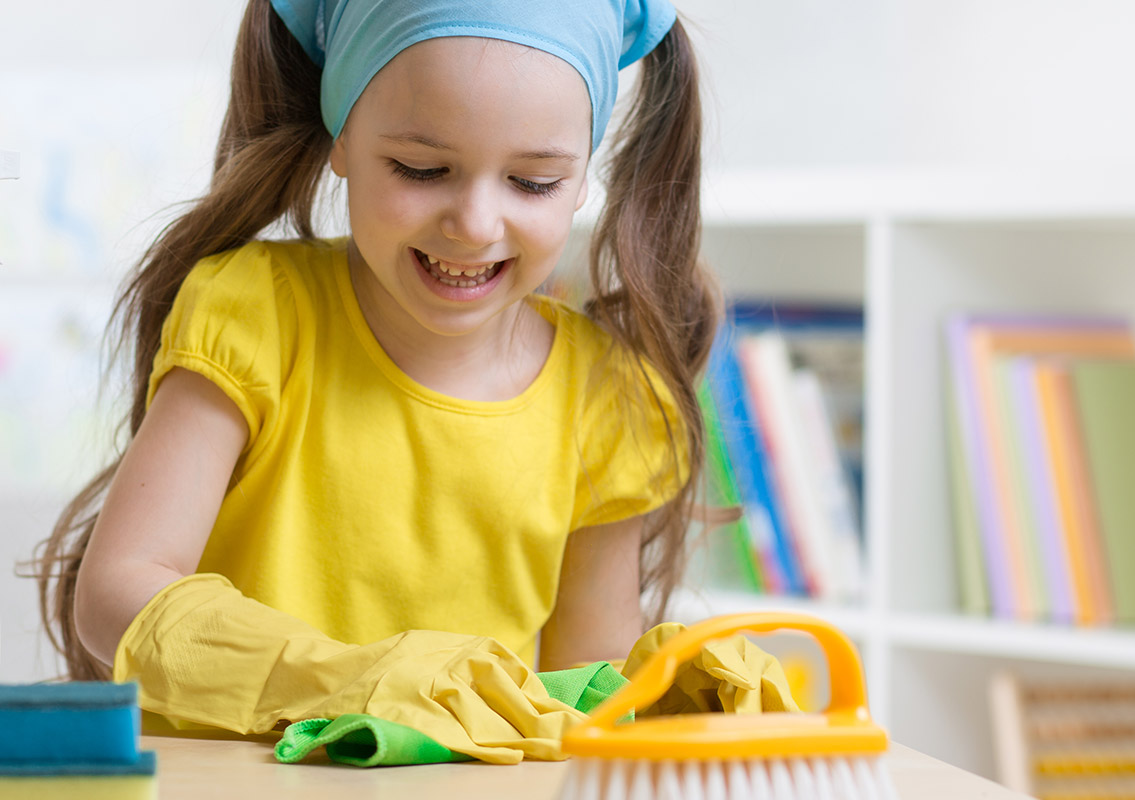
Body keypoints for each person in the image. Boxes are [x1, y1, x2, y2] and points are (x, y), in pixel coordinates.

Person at [30, 0, 752, 759]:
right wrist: (350, 677)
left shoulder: (609, 395)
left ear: (582, 177)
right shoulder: (256, 314)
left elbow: (581, 701)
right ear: (341, 137)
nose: (475, 223)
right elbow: (118, 593)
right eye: (421, 169)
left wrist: (676, 705)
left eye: (533, 182)